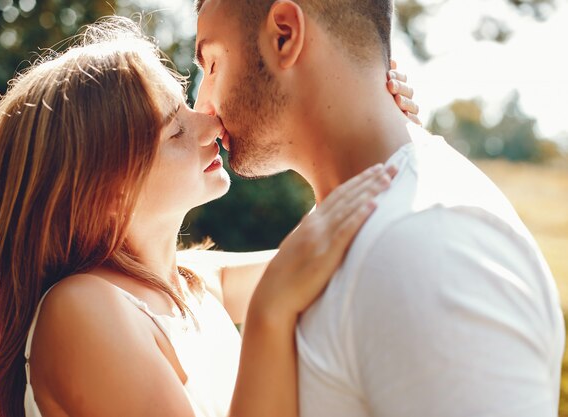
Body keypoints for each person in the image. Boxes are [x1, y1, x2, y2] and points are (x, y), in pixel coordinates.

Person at [0, 17, 419, 417]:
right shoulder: (81, 309)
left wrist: (372, 123)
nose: (212, 124)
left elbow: (323, 248)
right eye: (176, 129)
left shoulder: (190, 282)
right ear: (105, 189)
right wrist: (269, 315)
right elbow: (290, 276)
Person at [193, 1, 565, 416]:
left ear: (285, 35)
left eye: (211, 65)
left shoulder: (429, 246)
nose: (201, 105)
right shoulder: (339, 228)